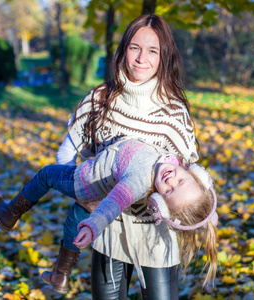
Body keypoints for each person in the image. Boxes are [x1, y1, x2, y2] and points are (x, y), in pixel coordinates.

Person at [58, 14, 206, 299]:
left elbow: (186, 173)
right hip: (107, 228)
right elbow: (71, 149)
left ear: (164, 57)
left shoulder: (174, 113)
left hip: (155, 234)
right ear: (124, 49)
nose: (141, 58)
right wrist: (78, 190)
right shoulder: (100, 99)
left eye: (153, 50)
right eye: (135, 47)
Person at [0, 138, 218, 294]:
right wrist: (208, 214)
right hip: (96, 180)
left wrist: (95, 225)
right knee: (75, 217)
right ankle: (61, 274)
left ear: (160, 204)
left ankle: (10, 213)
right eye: (181, 181)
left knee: (46, 175)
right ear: (195, 174)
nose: (170, 181)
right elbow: (195, 192)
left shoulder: (138, 181)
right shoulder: (173, 164)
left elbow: (112, 204)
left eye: (168, 192)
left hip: (83, 180)